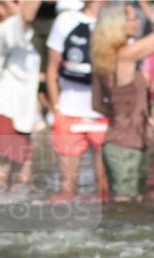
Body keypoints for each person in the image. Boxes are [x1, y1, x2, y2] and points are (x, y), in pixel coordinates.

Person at [90, 0, 154, 201]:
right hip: (125, 146)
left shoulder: (104, 58)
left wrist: (129, 112)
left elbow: (98, 105)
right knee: (125, 207)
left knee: (133, 207)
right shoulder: (125, 56)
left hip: (124, 141)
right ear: (117, 25)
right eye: (132, 18)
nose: (138, 21)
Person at [46, 0, 107, 200]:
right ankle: (66, 228)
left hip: (103, 113)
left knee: (104, 186)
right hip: (69, 110)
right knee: (67, 187)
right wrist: (56, 109)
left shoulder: (114, 20)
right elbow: (52, 69)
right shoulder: (66, 20)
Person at [0, 0, 42, 190]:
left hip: (22, 117)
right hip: (2, 111)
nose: (22, 3)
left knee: (22, 179)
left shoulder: (22, 35)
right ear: (0, 8)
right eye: (16, 1)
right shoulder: (1, 31)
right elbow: (27, 15)